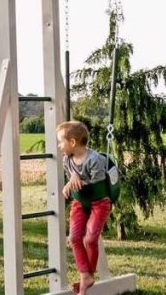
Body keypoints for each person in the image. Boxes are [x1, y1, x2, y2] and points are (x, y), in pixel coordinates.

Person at [58, 121, 112, 295]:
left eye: (61, 142)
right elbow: (73, 180)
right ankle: (85, 275)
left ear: (73, 142)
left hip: (99, 203)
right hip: (79, 203)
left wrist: (75, 179)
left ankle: (88, 275)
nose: (59, 146)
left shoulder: (95, 160)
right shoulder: (67, 160)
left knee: (89, 239)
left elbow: (96, 184)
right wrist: (69, 182)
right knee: (74, 238)